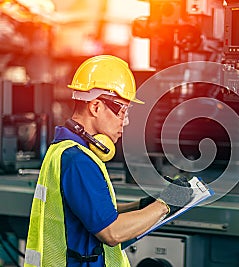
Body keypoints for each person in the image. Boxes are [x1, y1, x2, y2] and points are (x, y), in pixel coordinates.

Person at [24, 55, 193, 267]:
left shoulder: (65, 149)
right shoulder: (78, 160)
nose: (126, 121)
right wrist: (165, 205)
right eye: (123, 111)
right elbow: (111, 232)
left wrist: (142, 206)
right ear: (95, 107)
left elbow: (95, 211)